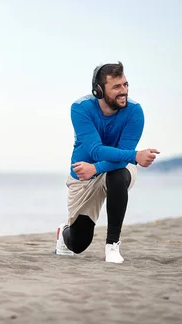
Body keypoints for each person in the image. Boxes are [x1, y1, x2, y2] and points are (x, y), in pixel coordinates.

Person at [54, 62, 160, 263]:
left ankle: (112, 246)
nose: (124, 91)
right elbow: (96, 150)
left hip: (111, 167)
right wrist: (134, 156)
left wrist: (101, 166)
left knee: (119, 175)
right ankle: (64, 232)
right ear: (99, 91)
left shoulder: (135, 112)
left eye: (126, 85)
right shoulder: (80, 109)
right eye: (117, 87)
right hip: (83, 174)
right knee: (78, 244)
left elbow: (123, 156)